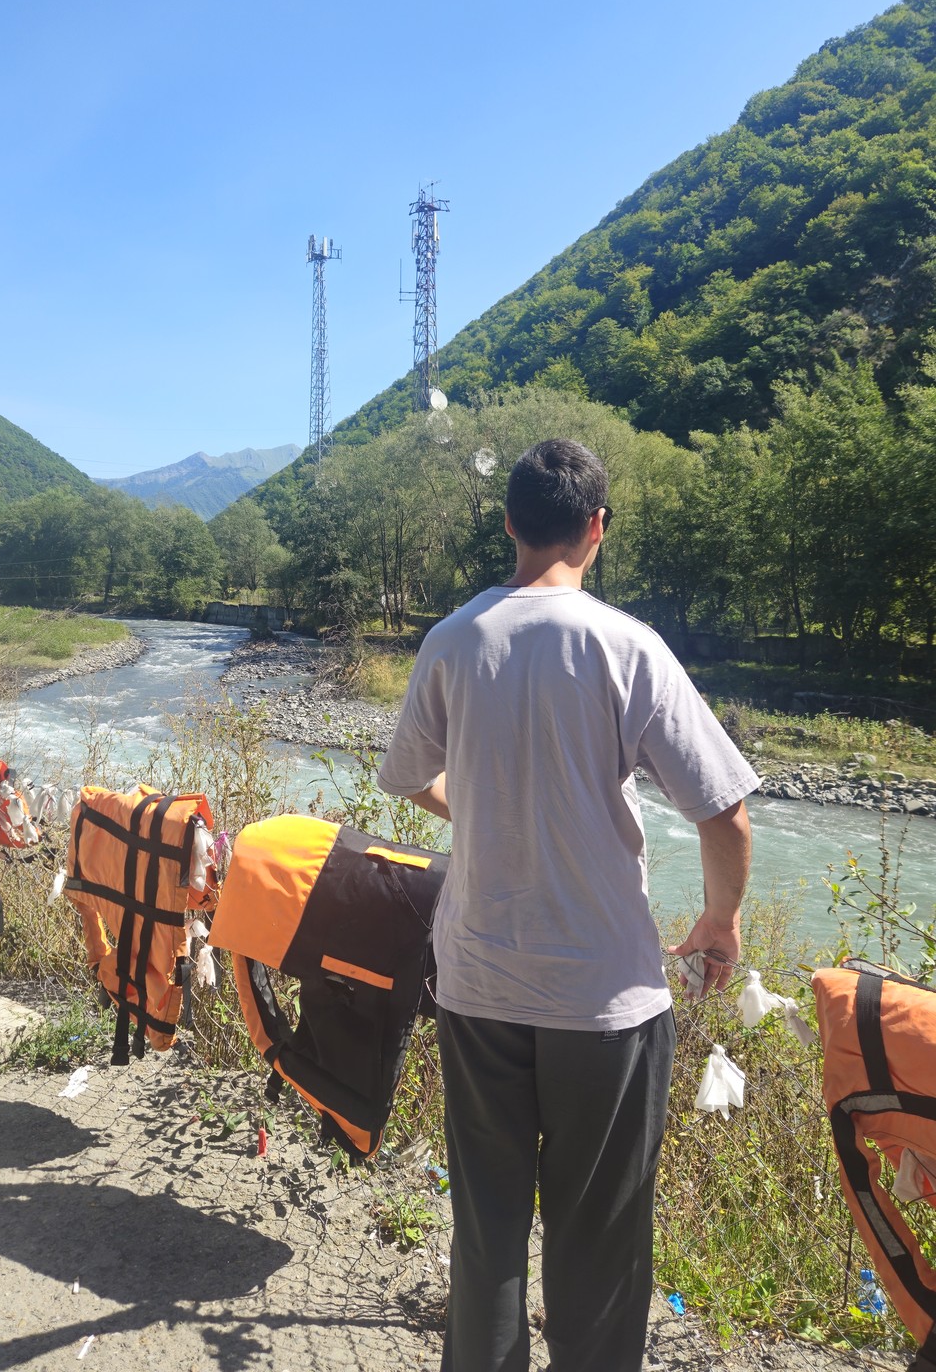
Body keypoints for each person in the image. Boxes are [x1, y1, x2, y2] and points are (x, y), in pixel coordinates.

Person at [377, 438, 759, 1372]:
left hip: (476, 985)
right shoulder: (627, 646)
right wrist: (721, 923)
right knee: (601, 1244)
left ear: (508, 524)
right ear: (598, 529)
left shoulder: (453, 640)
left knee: (487, 1236)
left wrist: (484, 802)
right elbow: (727, 815)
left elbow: (407, 778)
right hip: (606, 1000)